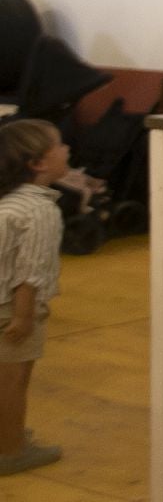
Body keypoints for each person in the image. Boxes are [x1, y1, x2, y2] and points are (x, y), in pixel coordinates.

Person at [0, 117, 67, 475]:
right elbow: (30, 272)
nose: (66, 149)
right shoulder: (40, 211)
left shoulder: (8, 203)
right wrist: (25, 315)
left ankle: (6, 436)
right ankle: (11, 450)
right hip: (11, 308)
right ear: (38, 163)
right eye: (59, 144)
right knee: (14, 379)